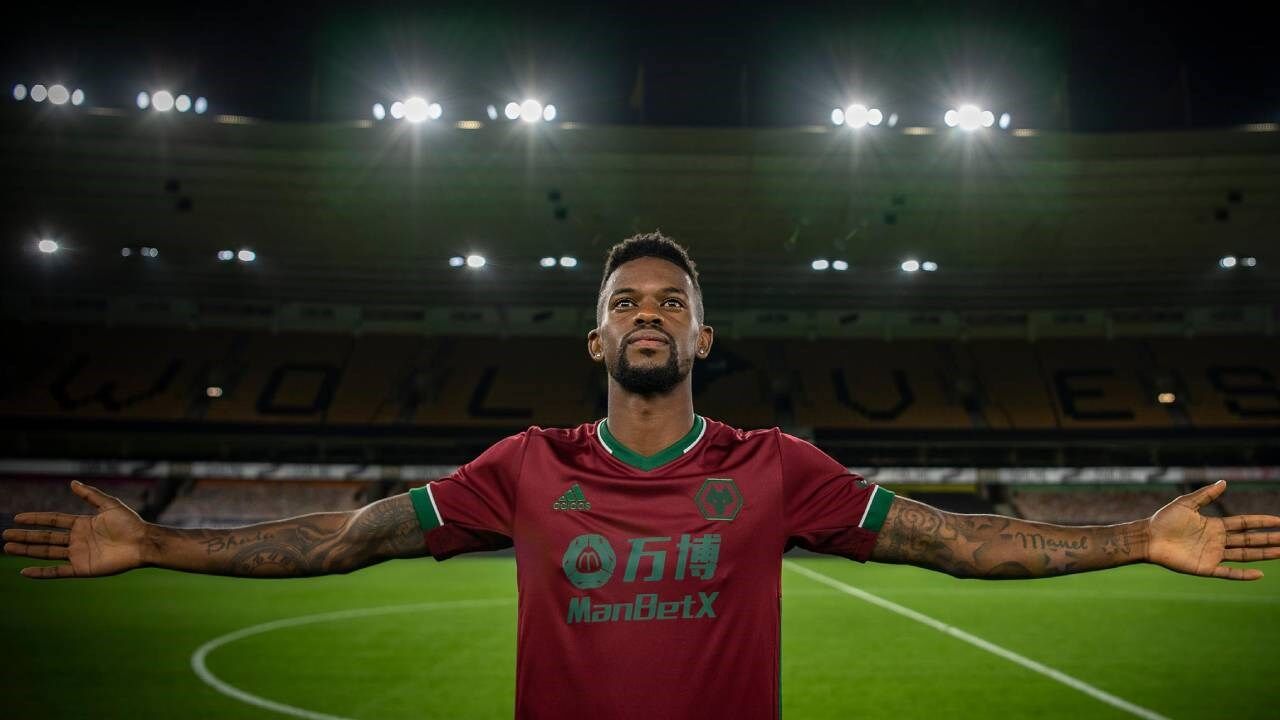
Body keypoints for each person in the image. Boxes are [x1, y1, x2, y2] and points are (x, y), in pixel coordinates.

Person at [5, 232, 1279, 720]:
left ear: (703, 338)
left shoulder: (777, 467)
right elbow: (346, 537)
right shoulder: (524, 466)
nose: (649, 313)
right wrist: (158, 545)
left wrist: (1135, 537)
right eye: (626, 302)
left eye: (671, 301)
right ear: (596, 340)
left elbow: (956, 540)